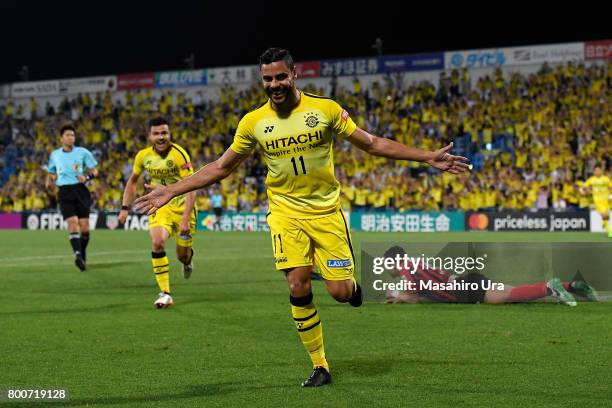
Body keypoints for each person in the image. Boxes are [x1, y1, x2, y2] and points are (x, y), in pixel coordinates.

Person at [134, 48, 469, 386]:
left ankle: (352, 289)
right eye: (268, 78)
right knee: (297, 283)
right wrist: (171, 190)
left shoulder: (325, 110)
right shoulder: (253, 122)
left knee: (340, 292)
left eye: (280, 76)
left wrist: (426, 156)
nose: (275, 84)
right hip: (284, 214)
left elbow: (371, 143)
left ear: (294, 74)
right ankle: (320, 365)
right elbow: (222, 167)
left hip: (326, 213)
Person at [119, 117, 197, 309]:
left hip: (182, 207)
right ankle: (165, 293)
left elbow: (192, 186)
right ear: (149, 136)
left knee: (182, 255)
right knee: (157, 241)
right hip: (159, 206)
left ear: (169, 134)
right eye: (156, 133)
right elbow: (132, 181)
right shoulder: (143, 156)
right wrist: (124, 208)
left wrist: (186, 217)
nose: (161, 137)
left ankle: (187, 260)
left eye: (164, 133)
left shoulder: (180, 154)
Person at [382, 246, 598, 306]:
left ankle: (552, 288)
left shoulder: (406, 270)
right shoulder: (415, 263)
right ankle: (569, 286)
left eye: (386, 263)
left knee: (510, 296)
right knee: (514, 293)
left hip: (466, 290)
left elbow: (413, 297)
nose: (386, 268)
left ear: (394, 260)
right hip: (466, 282)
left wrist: (394, 293)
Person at [45, 124, 98, 271]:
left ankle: (81, 251)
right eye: (68, 135)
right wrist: (49, 180)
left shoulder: (83, 152)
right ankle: (78, 256)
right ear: (62, 138)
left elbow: (95, 170)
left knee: (85, 229)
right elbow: (51, 171)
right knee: (73, 223)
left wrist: (87, 177)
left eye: (73, 135)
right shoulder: (55, 155)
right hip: (64, 192)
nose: (71, 138)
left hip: (80, 190)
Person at [581, 166, 612, 237]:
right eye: (596, 171)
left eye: (599, 170)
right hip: (598, 201)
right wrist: (585, 191)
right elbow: (583, 187)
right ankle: (609, 231)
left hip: (606, 200)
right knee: (604, 214)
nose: (597, 172)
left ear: (601, 171)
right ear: (594, 172)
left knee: (606, 216)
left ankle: (604, 223)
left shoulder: (606, 179)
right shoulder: (591, 180)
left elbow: (611, 187)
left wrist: (611, 195)